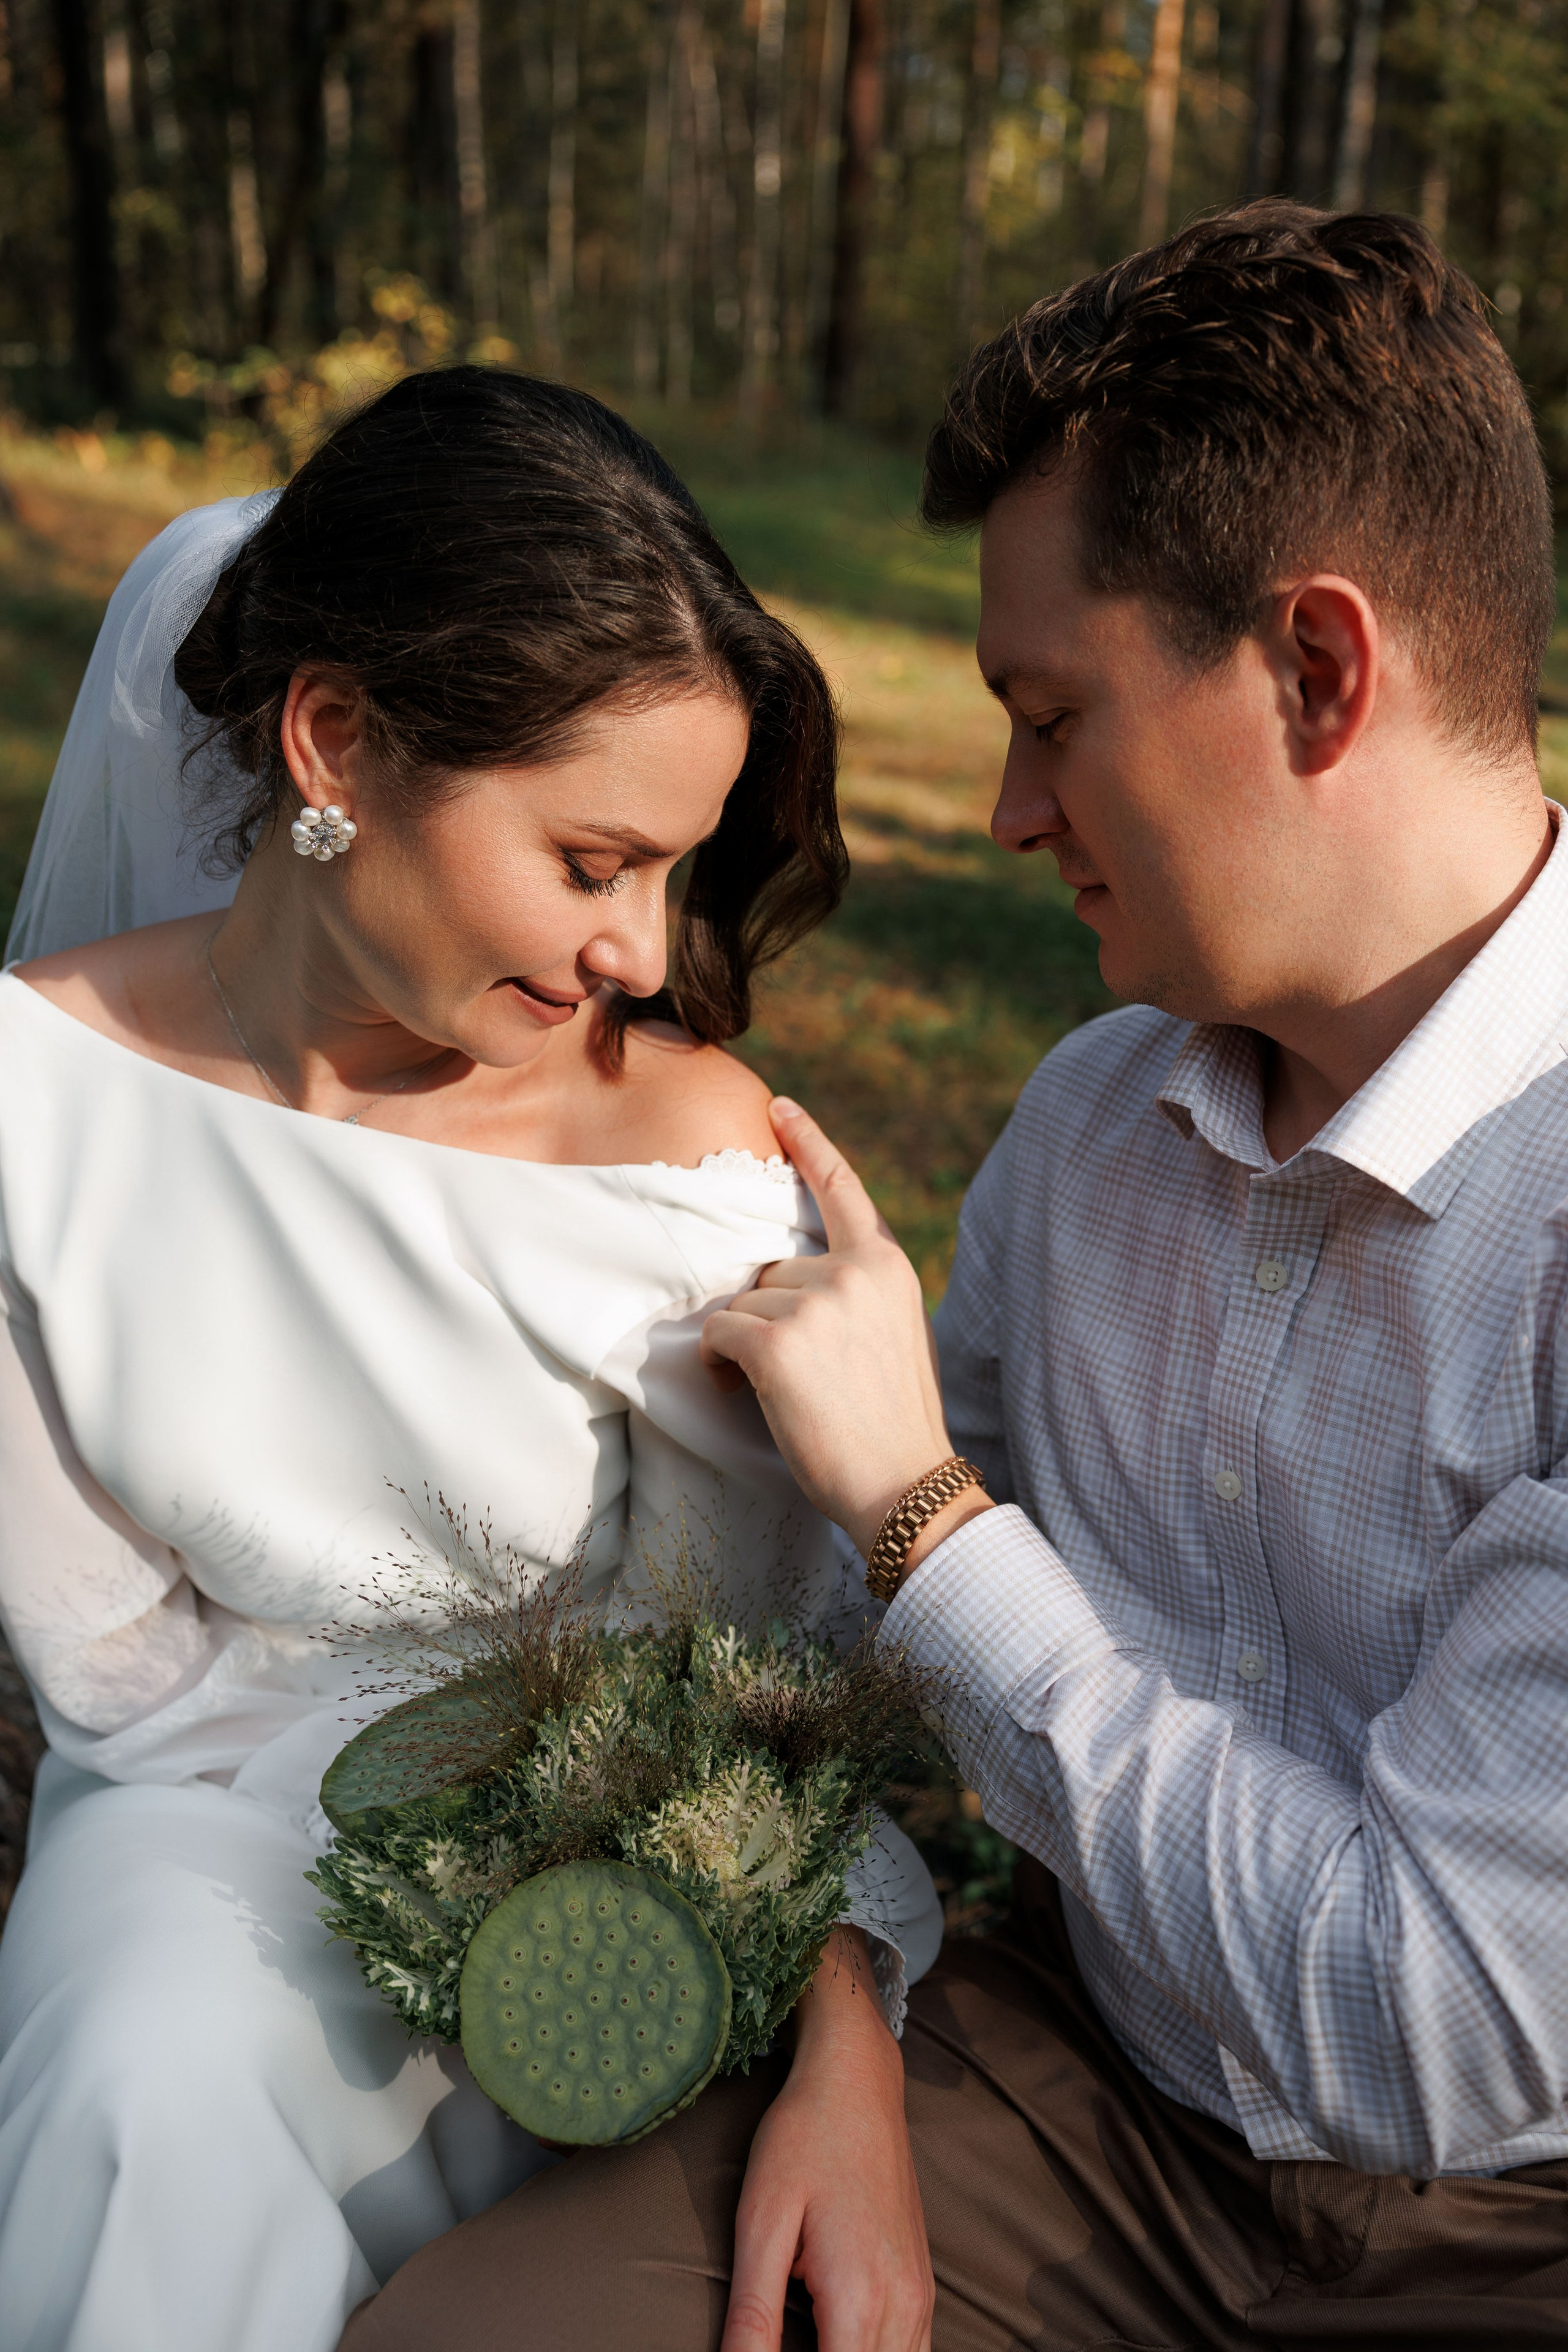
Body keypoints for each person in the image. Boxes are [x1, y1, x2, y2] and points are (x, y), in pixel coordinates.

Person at [355, 205, 1568, 2350]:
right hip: (1081, 2090)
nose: (1008, 807)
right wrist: (841, 2029)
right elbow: (826, 1668)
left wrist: (933, 1526)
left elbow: (1434, 2029)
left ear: (1318, 668)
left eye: (1050, 714)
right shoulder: (1100, 1117)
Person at [0, 368, 943, 2352]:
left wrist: (823, 2037)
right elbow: (119, 1677)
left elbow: (759, 1683)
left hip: (621, 1874)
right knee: (141, 2079)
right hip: (193, 1828)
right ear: (334, 737)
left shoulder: (685, 1168)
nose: (639, 947)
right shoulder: (36, 1107)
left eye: (676, 872)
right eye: (595, 862)